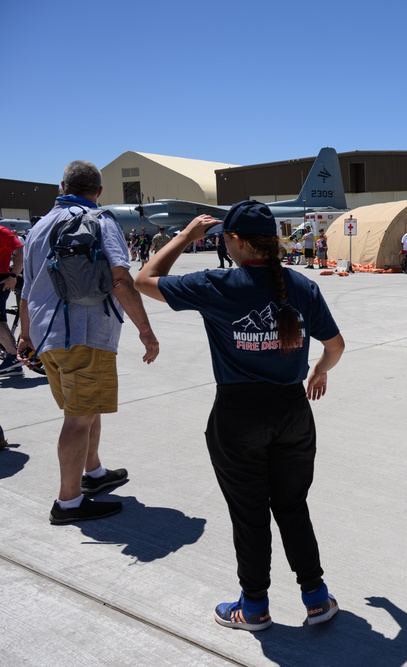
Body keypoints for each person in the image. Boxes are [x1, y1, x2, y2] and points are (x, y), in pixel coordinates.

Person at [135, 200, 345, 632]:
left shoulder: (218, 284)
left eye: (224, 238)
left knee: (249, 515)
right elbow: (336, 345)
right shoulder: (301, 285)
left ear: (237, 241)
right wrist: (318, 372)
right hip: (292, 411)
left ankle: (253, 609)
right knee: (292, 506)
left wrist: (184, 237)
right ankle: (316, 598)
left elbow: (144, 279)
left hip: (239, 415)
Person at [17, 160, 159, 524]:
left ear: (62, 185)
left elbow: (26, 287)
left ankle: (93, 473)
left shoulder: (38, 228)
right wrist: (146, 330)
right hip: (86, 335)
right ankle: (68, 503)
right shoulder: (100, 220)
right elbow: (121, 279)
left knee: (82, 409)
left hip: (49, 336)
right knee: (79, 419)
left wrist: (27, 334)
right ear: (97, 191)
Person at [0, 225, 25, 377]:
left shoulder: (2, 232)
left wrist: (14, 276)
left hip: (2, 280)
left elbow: (21, 251)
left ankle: (12, 357)